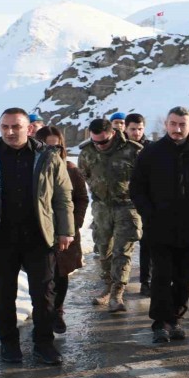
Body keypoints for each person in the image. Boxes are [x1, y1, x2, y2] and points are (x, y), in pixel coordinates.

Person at [0, 107, 74, 365]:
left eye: (16, 127)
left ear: (29, 129)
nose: (10, 132)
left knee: (44, 293)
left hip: (39, 237)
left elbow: (62, 197)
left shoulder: (48, 157)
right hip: (0, 238)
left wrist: (66, 230)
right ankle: (9, 345)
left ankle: (44, 344)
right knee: (4, 293)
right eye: (5, 127)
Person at [130, 106, 189, 343]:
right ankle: (160, 323)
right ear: (166, 125)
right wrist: (148, 214)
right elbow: (137, 187)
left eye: (182, 124)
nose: (177, 129)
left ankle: (176, 319)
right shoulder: (151, 153)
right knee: (161, 276)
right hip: (159, 228)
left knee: (183, 278)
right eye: (173, 124)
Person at [79, 118, 143, 312]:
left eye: (104, 141)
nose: (100, 146)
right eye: (96, 142)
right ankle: (108, 286)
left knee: (122, 251)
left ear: (113, 133)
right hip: (101, 207)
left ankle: (117, 292)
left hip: (126, 206)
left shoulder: (133, 151)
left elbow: (145, 178)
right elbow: (84, 175)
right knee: (103, 249)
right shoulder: (87, 152)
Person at [34, 126, 89, 334]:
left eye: (56, 147)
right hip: (39, 230)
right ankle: (43, 311)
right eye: (47, 147)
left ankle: (57, 310)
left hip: (65, 231)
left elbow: (81, 198)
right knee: (43, 275)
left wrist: (74, 224)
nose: (52, 152)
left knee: (61, 272)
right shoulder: (33, 168)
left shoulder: (70, 169)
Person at [124, 113, 153, 296]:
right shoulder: (118, 147)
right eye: (133, 129)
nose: (136, 132)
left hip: (145, 201)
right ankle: (116, 281)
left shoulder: (151, 148)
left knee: (147, 243)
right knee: (121, 245)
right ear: (126, 128)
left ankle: (146, 281)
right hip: (122, 202)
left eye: (140, 129)